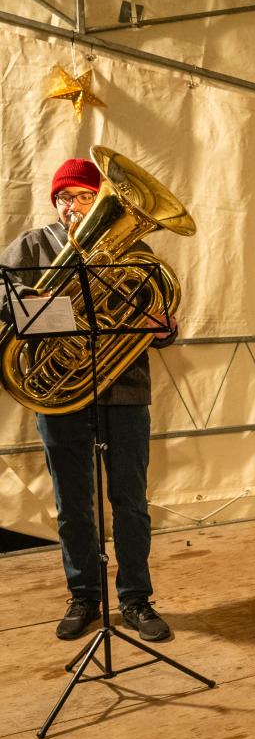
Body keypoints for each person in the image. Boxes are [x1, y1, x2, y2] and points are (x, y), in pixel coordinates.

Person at [0, 158, 176, 642]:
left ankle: (137, 599)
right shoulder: (33, 246)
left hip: (124, 391)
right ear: (54, 203)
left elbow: (161, 311)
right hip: (59, 393)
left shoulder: (133, 249)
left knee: (131, 501)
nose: (74, 206)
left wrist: (163, 328)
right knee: (73, 503)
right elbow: (1, 291)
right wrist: (24, 299)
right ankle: (84, 596)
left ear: (99, 200)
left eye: (83, 197)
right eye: (66, 198)